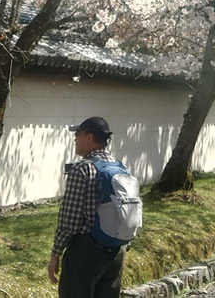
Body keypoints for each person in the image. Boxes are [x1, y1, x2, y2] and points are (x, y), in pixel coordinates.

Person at [50, 116, 133, 298]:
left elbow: (69, 220)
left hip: (86, 253)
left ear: (89, 137)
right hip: (116, 253)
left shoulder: (82, 168)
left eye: (77, 134)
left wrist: (56, 254)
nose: (74, 138)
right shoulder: (121, 167)